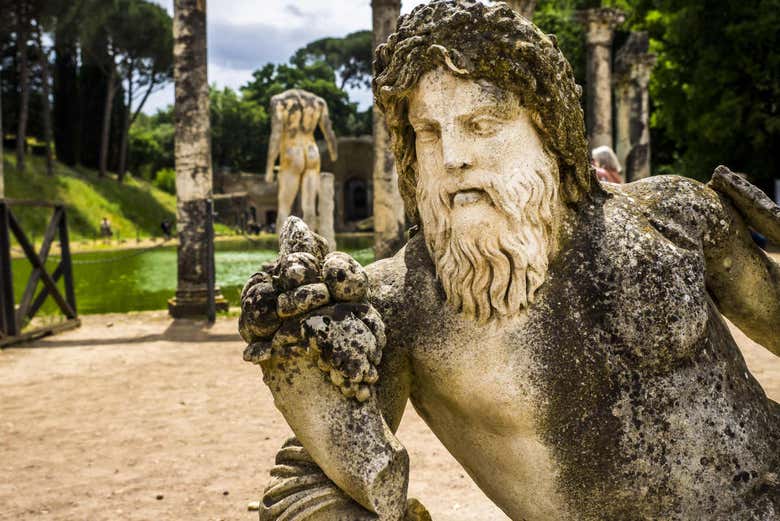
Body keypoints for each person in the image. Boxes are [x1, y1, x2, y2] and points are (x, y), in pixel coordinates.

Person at [240, 2, 780, 519]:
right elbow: (307, 481)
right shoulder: (396, 308)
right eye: (428, 133)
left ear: (548, 127)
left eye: (481, 125)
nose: (453, 157)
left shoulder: (675, 212)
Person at [265, 89, 338, 234]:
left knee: (284, 208)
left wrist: (269, 167)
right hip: (312, 152)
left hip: (292, 152)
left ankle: (283, 250)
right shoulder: (318, 102)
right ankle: (310, 249)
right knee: (309, 208)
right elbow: (329, 132)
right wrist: (333, 153)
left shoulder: (279, 101)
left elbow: (276, 134)